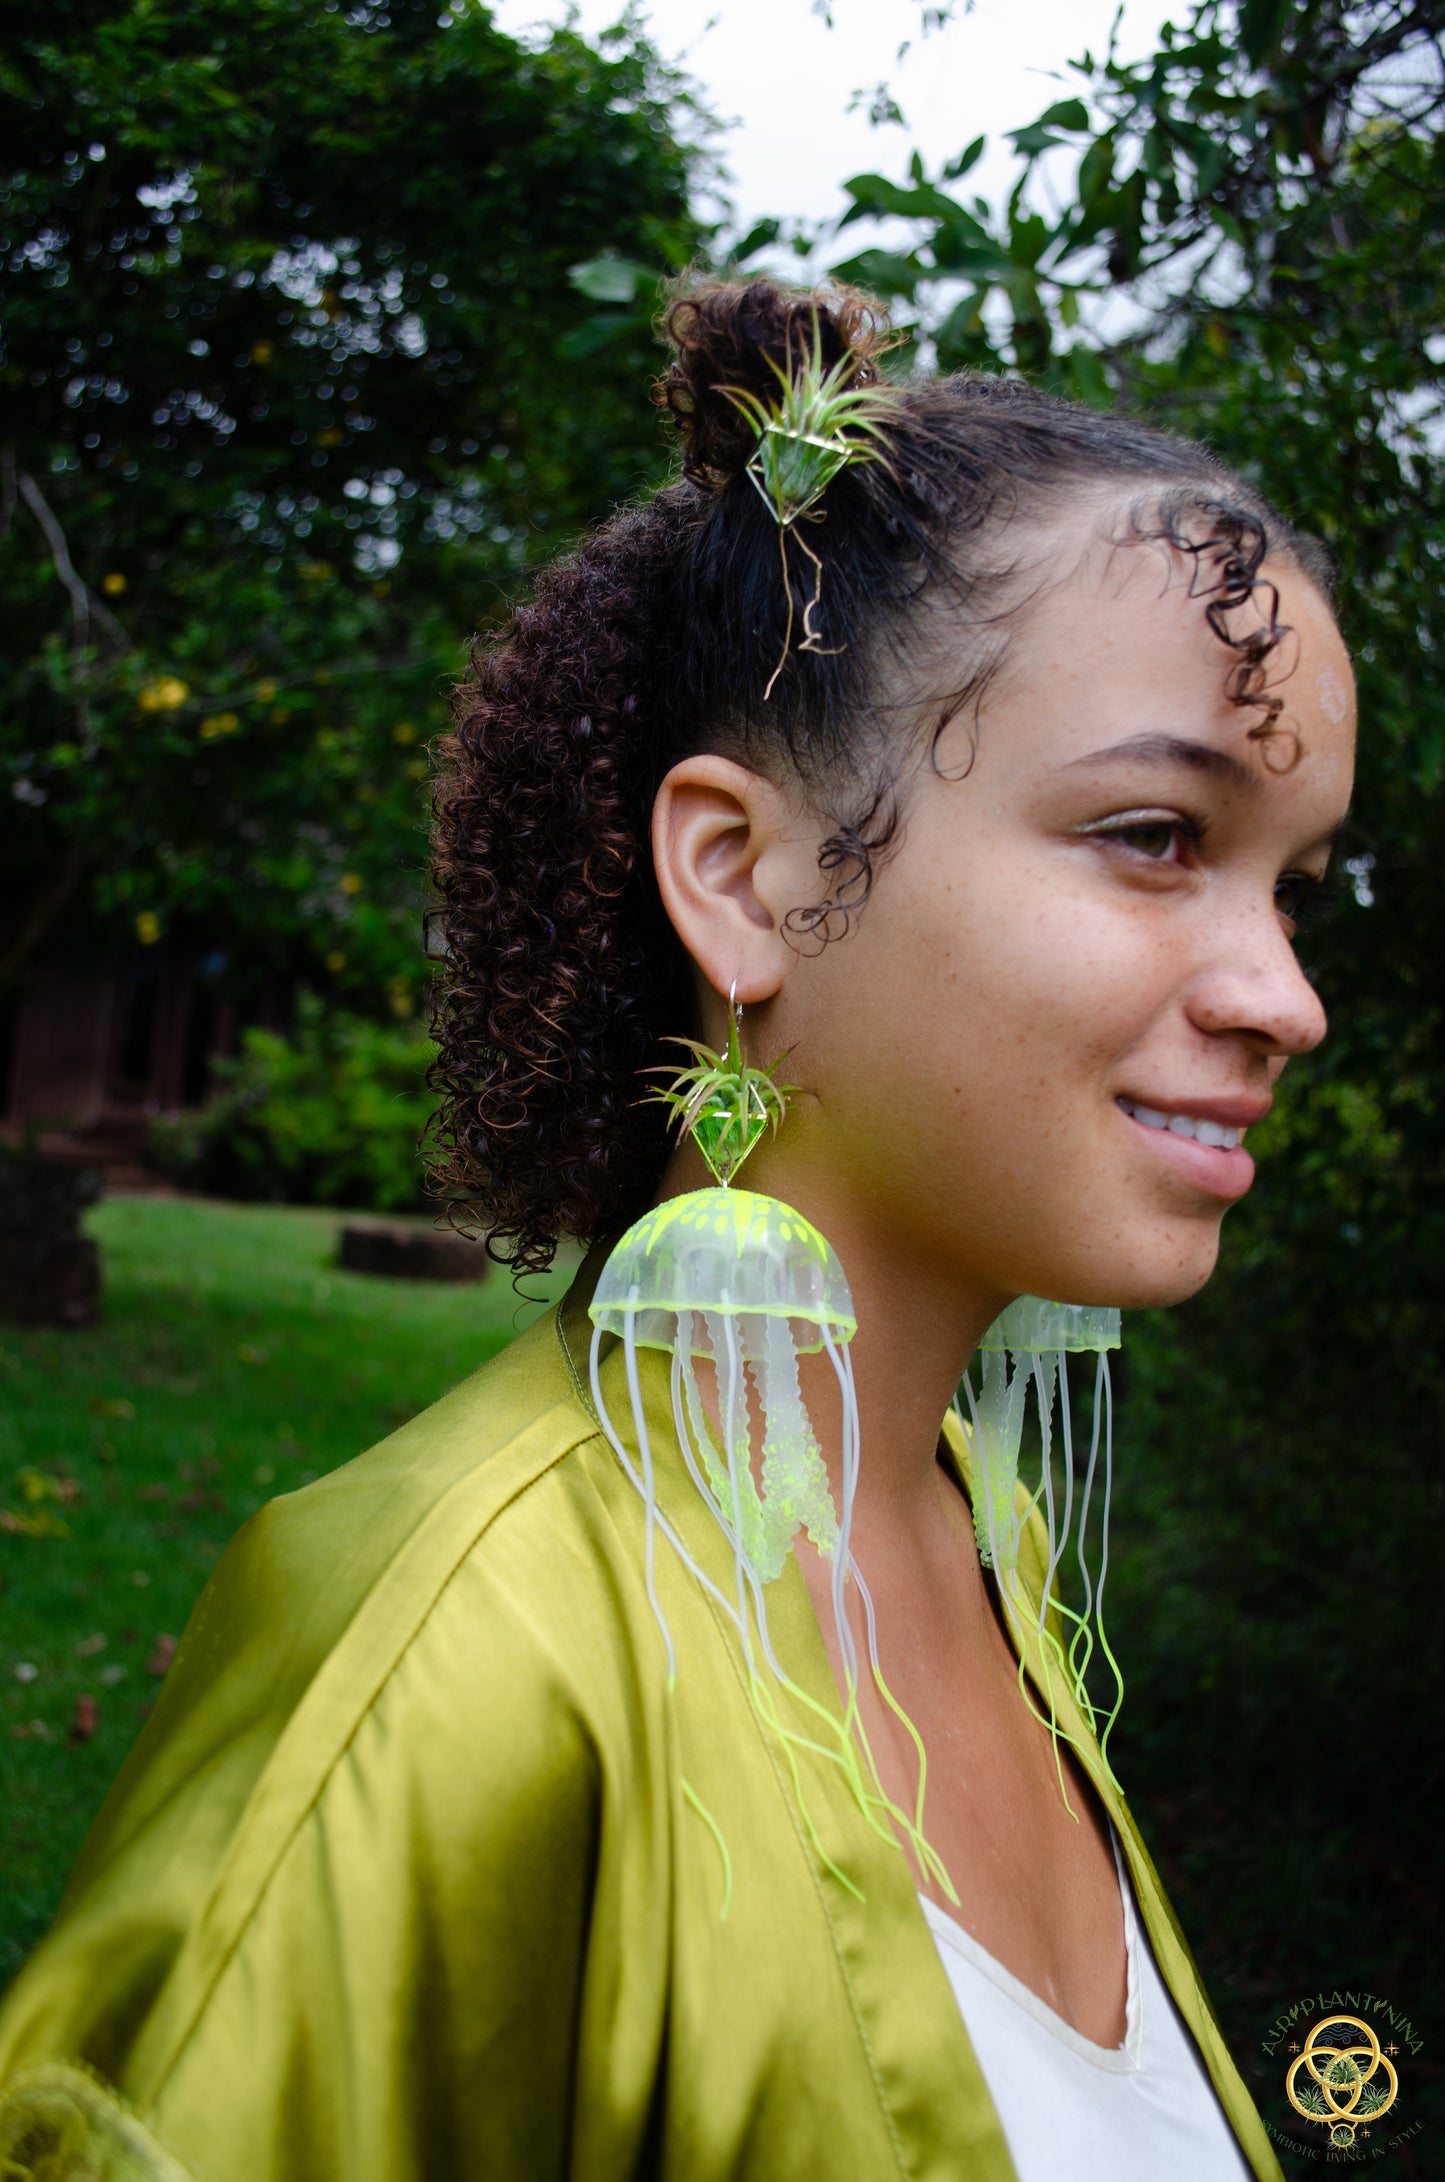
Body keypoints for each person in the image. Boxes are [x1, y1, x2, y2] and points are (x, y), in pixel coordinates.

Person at [0, 279, 1355, 2181]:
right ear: (743, 877)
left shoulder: (991, 1532)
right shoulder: (444, 1664)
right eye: (1152, 836)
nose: (1282, 997)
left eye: (1295, 886)